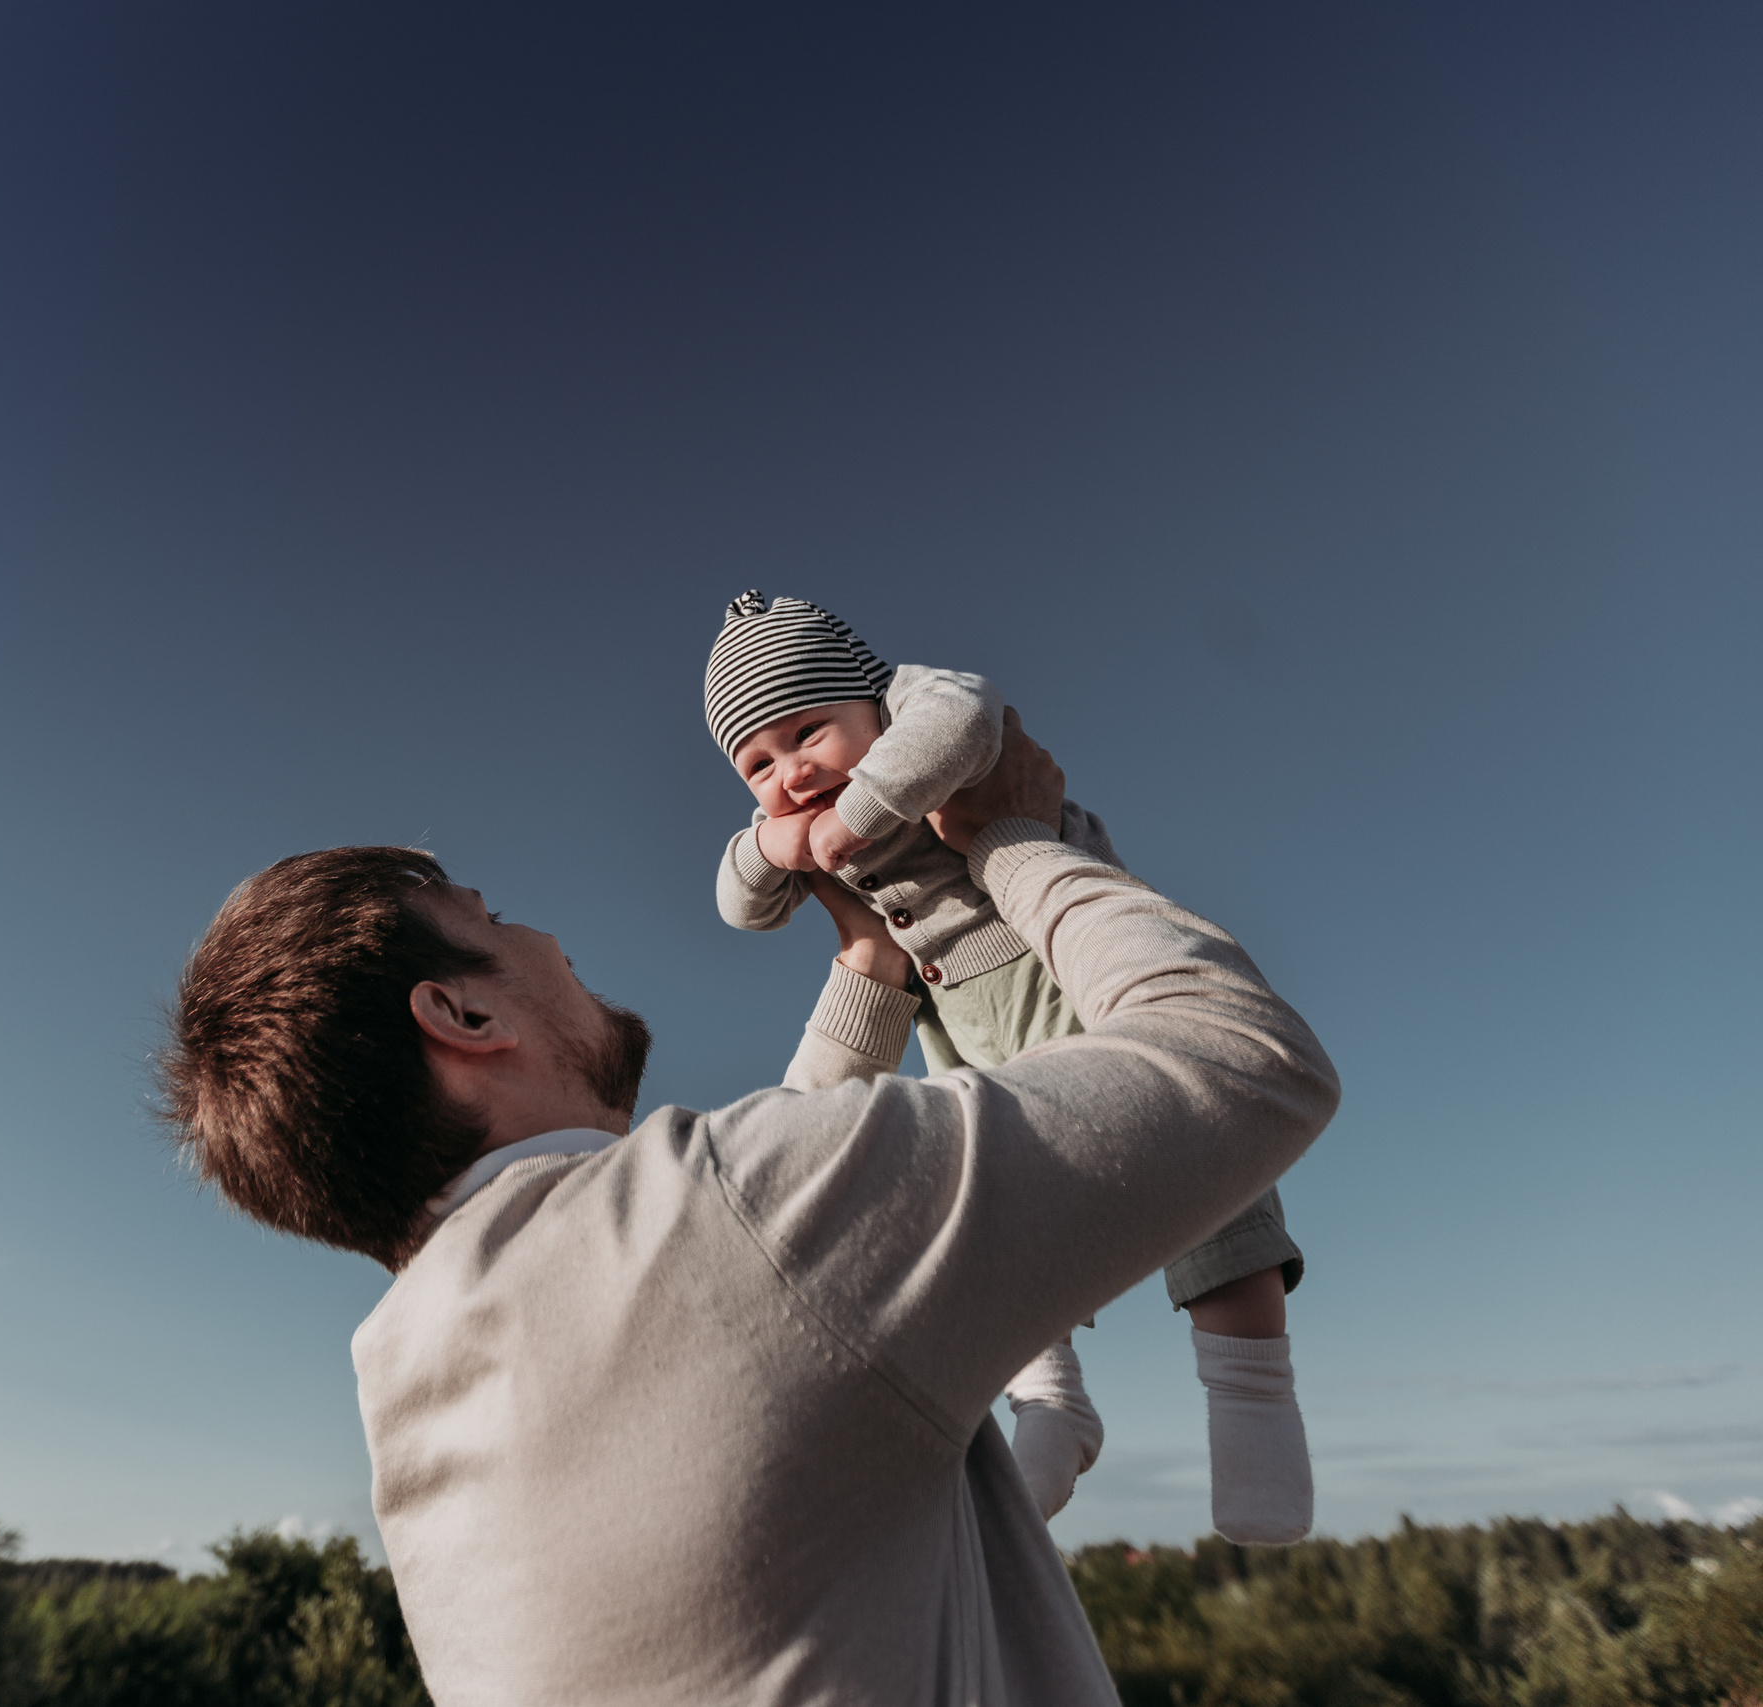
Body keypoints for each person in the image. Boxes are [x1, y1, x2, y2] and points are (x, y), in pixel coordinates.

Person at [159, 716, 1338, 1704]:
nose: (547, 937)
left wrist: (871, 972)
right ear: (463, 1020)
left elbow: (759, 1288)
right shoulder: (734, 1229)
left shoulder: (419, 1397)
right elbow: (1242, 1060)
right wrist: (1018, 842)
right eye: (494, 919)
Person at [704, 590, 1314, 1542]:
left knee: (1202, 1157)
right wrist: (767, 839)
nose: (792, 769)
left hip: (1068, 962)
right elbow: (740, 903)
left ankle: (1254, 1400)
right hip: (961, 1024)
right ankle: (1050, 1403)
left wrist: (855, 813)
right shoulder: (793, 814)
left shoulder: (915, 704)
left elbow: (965, 717)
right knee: (990, 1203)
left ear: (868, 697)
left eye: (808, 731)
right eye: (759, 763)